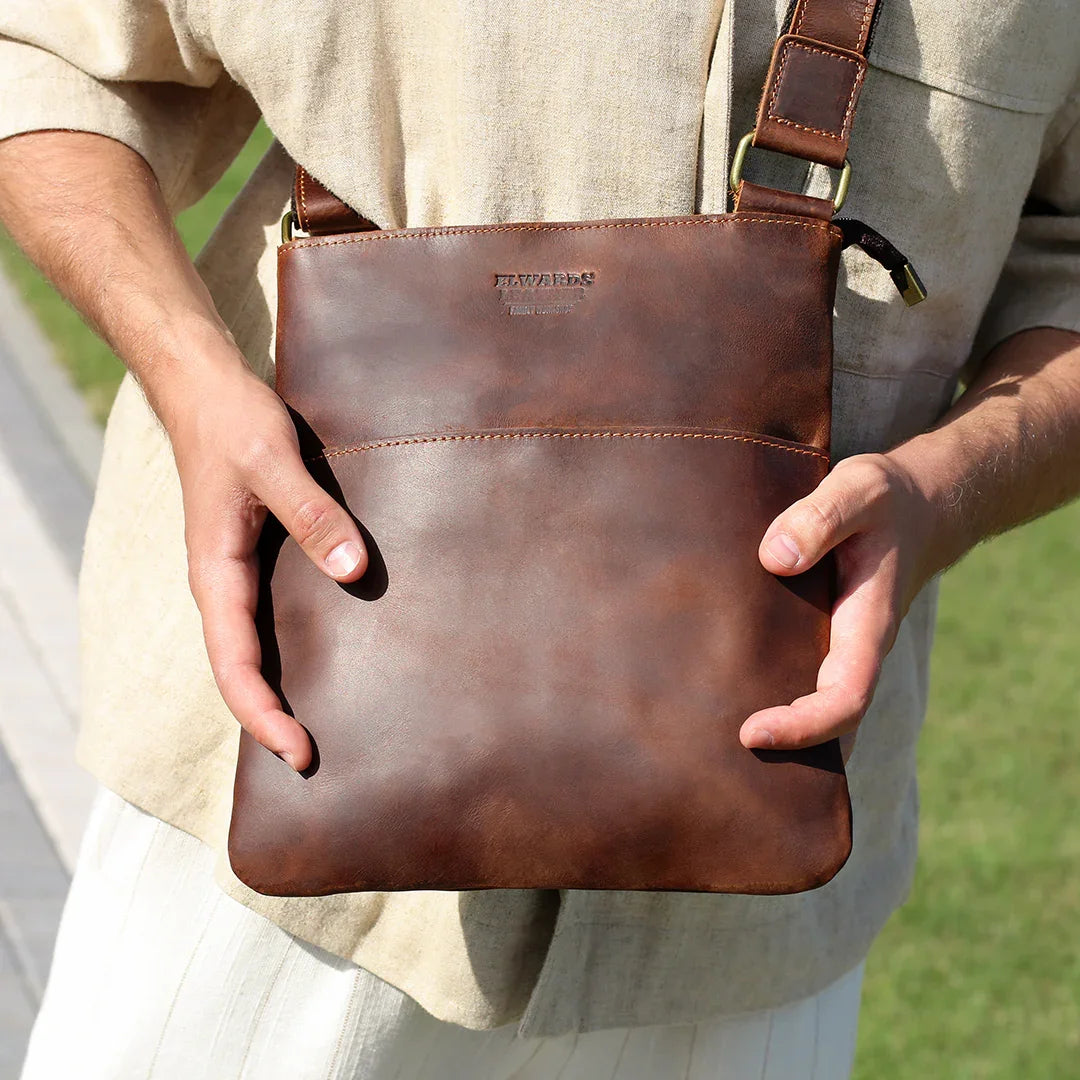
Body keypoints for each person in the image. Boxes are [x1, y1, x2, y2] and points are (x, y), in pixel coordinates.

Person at [1, 0, 1078, 1076]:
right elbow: (46, 61)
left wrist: (949, 489)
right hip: (257, 835)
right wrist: (190, 379)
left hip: (746, 932)